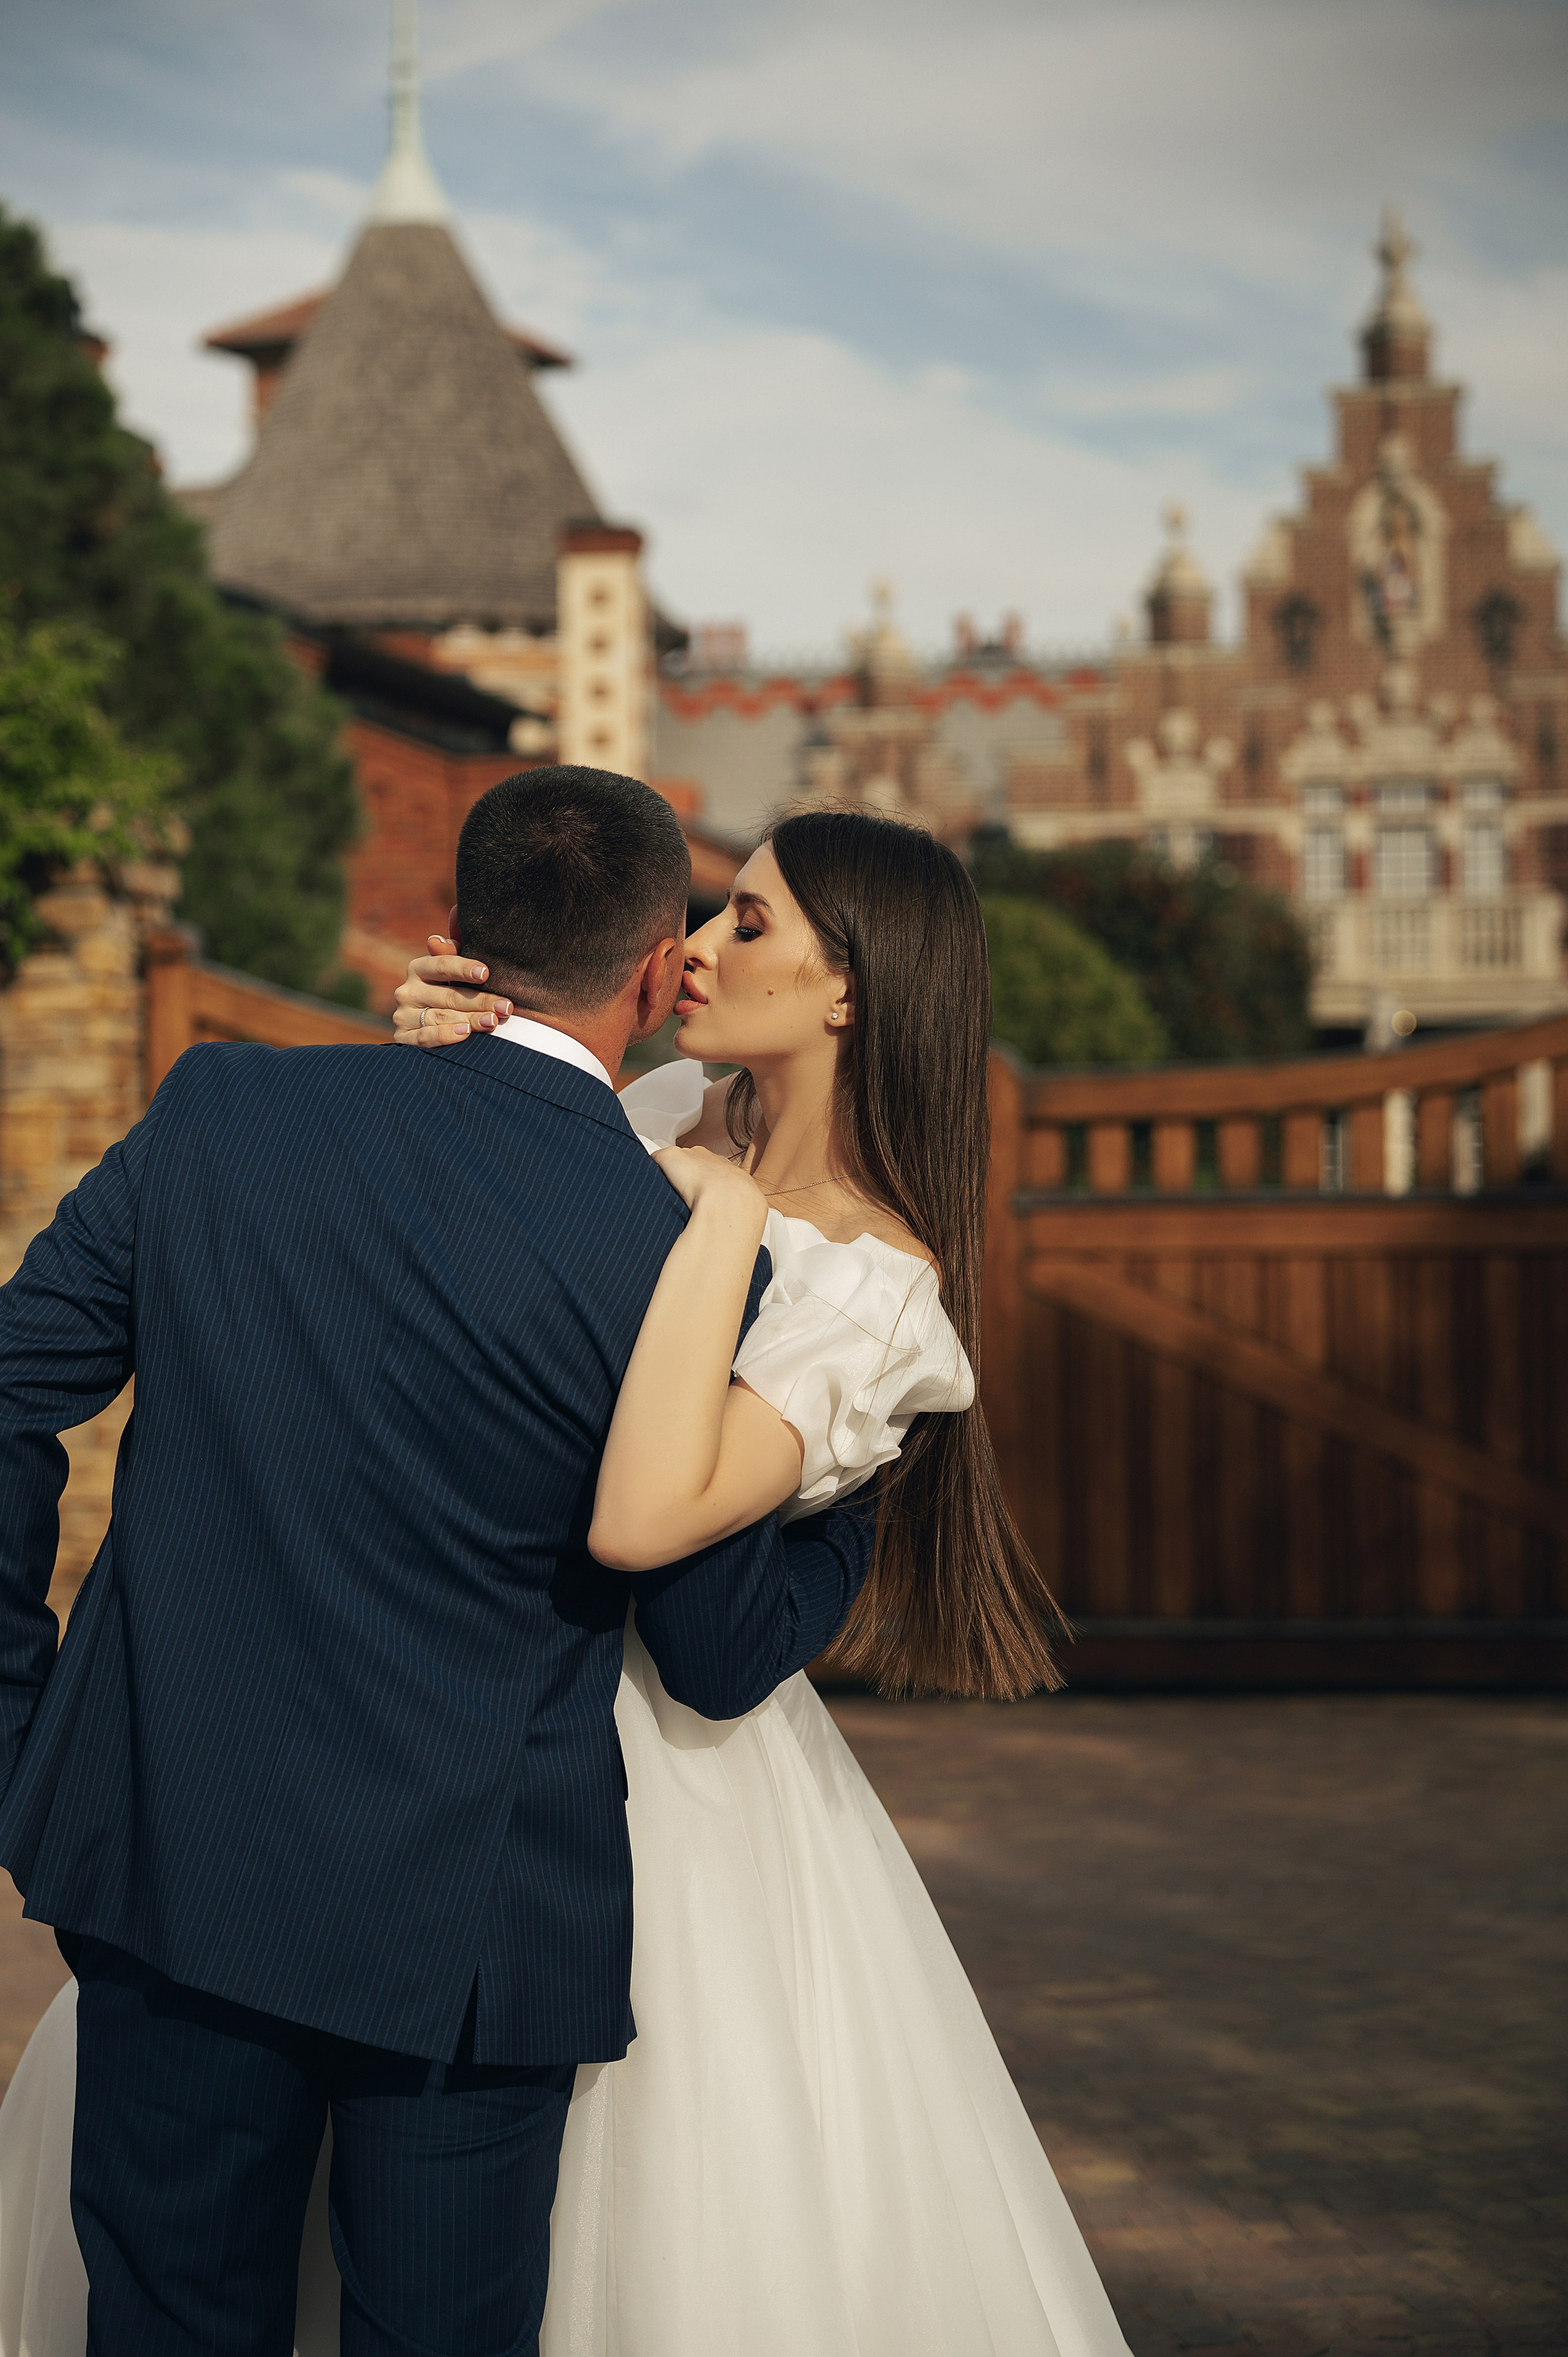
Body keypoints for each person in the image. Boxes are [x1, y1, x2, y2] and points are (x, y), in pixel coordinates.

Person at [0, 769, 878, 2357]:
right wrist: (858, 1479)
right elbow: (717, 1648)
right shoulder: (673, 1246)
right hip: (470, 1933)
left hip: (164, 1855)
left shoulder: (223, 1109)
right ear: (648, 971)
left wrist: (17, 1717)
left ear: (457, 931)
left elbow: (10, 1381)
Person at [380, 807, 1136, 2356]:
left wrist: (721, 1213)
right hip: (454, 1710)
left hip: (671, 1797)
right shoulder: (653, 1099)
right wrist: (447, 1069)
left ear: (850, 989)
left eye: (745, 922)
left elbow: (653, 1518)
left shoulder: (874, 1293)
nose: (695, 950)